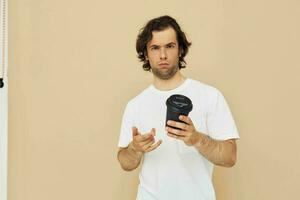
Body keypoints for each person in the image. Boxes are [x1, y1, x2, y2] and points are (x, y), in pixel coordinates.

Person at [117, 15, 240, 200]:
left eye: (170, 46)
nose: (163, 55)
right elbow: (125, 162)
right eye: (155, 48)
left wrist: (197, 139)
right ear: (146, 54)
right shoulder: (135, 105)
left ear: (180, 49)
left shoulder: (209, 96)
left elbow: (230, 157)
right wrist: (135, 149)